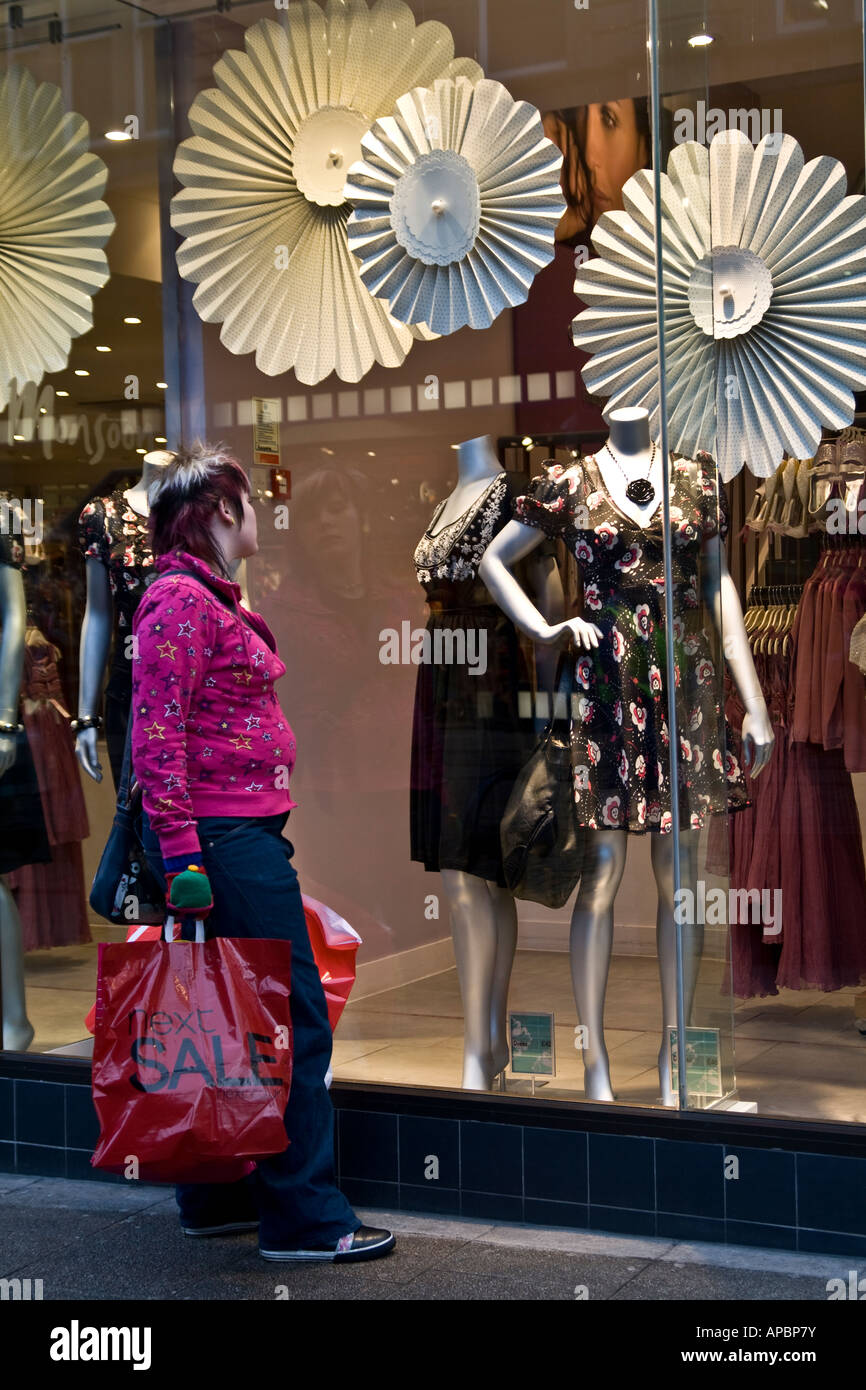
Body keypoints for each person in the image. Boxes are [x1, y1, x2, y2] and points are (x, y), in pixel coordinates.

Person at [131, 441, 394, 1264]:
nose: (263, 516)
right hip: (220, 841)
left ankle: (214, 1196)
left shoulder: (211, 596)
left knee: (225, 1016)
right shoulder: (180, 602)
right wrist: (184, 863)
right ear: (219, 512)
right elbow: (157, 738)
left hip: (229, 837)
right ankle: (308, 1220)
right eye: (251, 501)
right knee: (292, 1018)